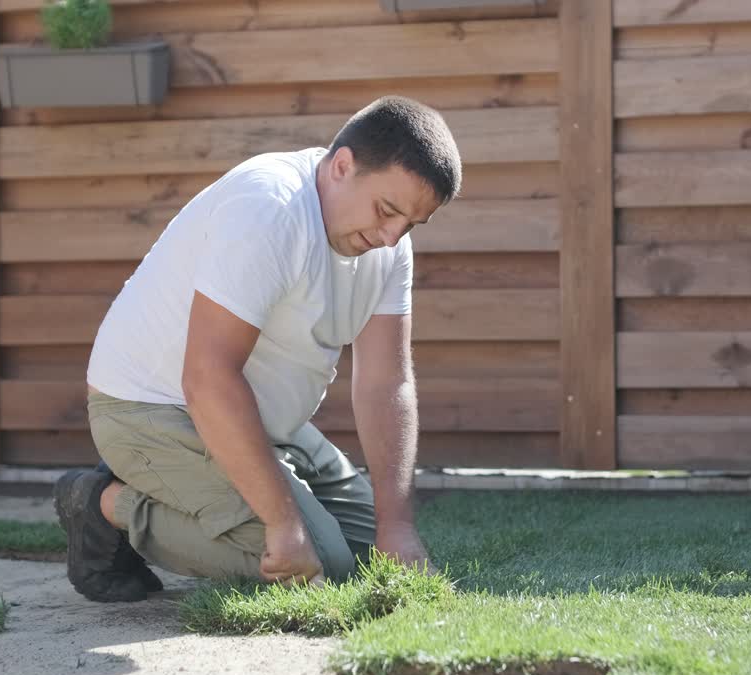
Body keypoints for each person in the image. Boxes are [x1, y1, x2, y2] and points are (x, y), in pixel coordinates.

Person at [53, 96, 463, 602]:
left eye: (410, 224)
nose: (392, 236)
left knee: (367, 557)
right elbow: (207, 375)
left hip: (259, 420)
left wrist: (396, 526)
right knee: (319, 566)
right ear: (341, 166)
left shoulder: (388, 242)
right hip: (150, 407)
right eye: (387, 211)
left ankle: (198, 485)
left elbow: (386, 383)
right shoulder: (269, 208)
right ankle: (100, 503)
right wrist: (281, 521)